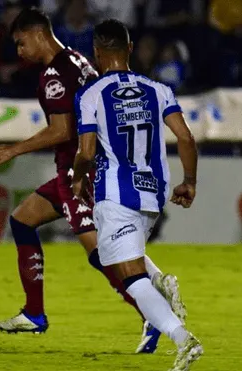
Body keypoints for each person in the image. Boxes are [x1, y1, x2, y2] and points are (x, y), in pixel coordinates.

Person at [0, 8, 184, 354]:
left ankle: (151, 311)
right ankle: (34, 313)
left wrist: (13, 150)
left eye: (20, 43)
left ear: (37, 35)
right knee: (22, 220)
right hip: (84, 166)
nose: (19, 52)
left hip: (76, 170)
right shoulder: (77, 59)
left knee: (102, 252)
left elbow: (61, 130)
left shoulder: (53, 75)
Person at [71, 19, 203, 369]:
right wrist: (189, 181)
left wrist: (78, 179)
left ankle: (182, 338)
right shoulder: (158, 89)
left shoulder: (91, 94)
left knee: (129, 277)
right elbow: (186, 138)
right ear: (129, 49)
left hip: (117, 190)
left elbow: (85, 152)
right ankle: (160, 279)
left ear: (96, 54)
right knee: (116, 252)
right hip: (154, 192)